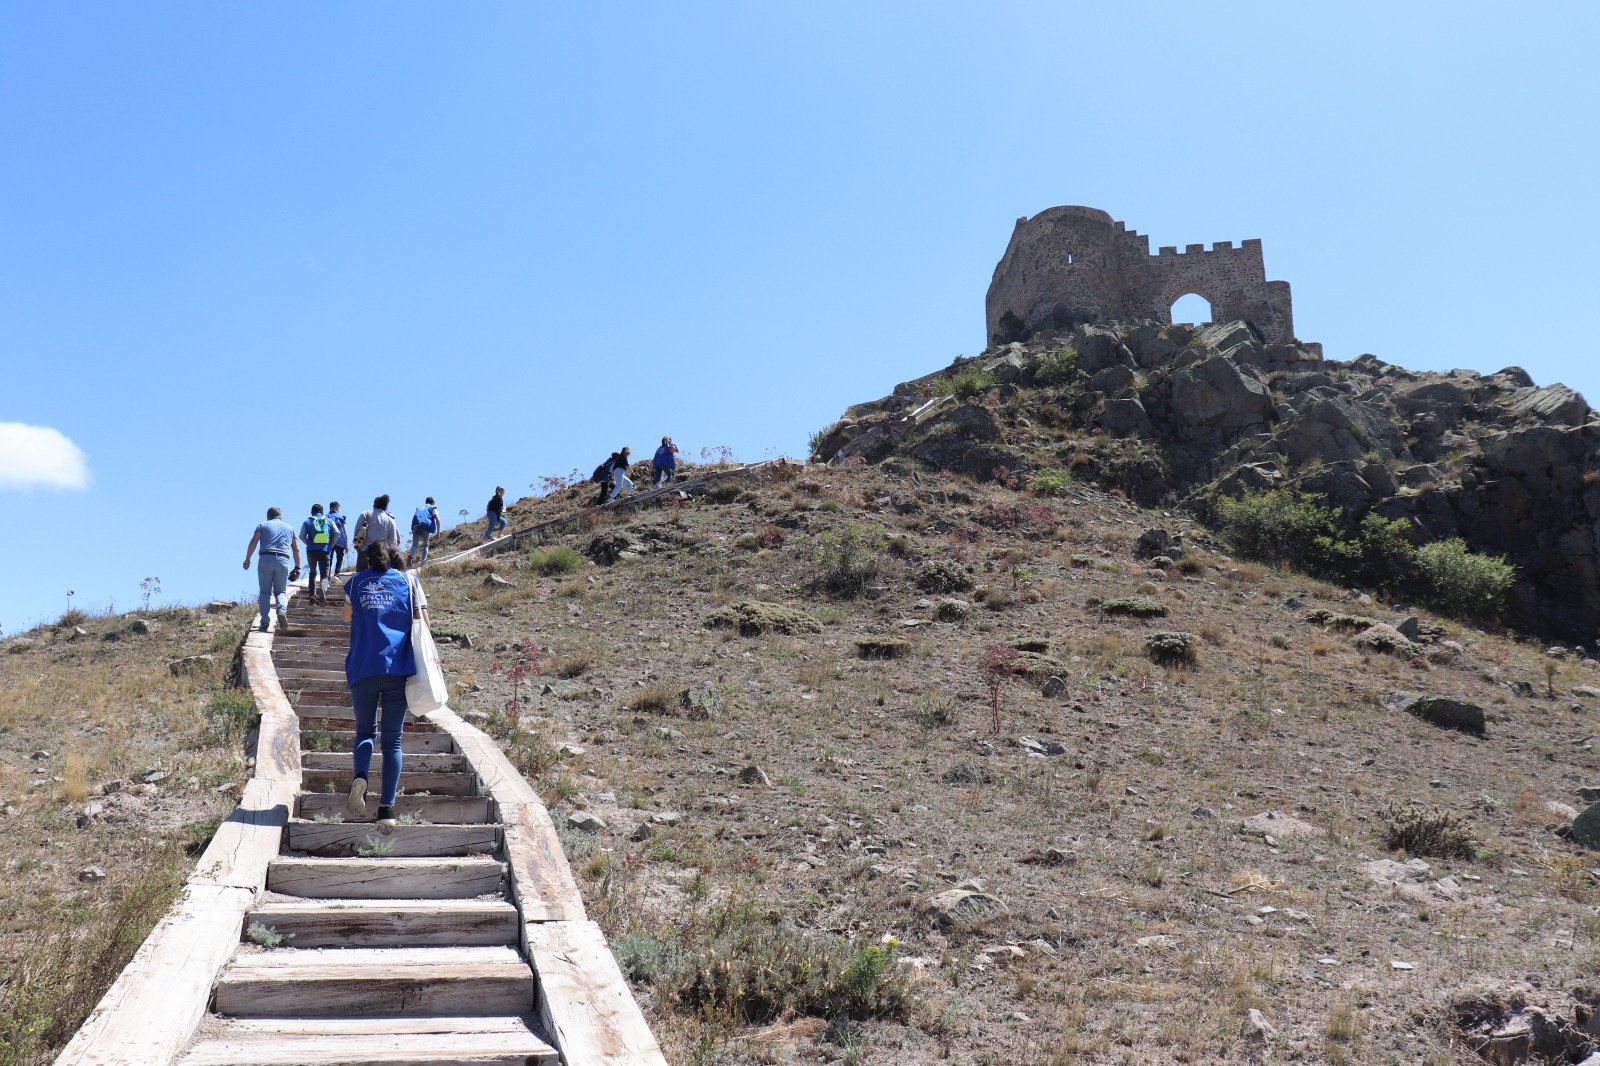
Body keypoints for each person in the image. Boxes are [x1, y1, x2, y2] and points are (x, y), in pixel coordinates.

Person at [341, 541, 429, 827]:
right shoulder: (408, 581)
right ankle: (387, 810)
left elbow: (346, 616)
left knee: (365, 732)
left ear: (367, 559)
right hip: (397, 668)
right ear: (394, 557)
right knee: (393, 741)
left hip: (362, 668)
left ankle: (360, 777)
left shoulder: (355, 582)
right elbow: (424, 622)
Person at [242, 506, 301, 632]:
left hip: (265, 558)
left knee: (265, 592)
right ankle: (281, 611)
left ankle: (264, 622)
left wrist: (247, 558)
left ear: (268, 516)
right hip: (283, 560)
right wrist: (297, 567)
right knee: (280, 592)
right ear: (281, 516)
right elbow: (296, 549)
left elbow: (253, 541)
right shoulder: (290, 528)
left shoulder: (262, 525)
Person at [351, 494, 400, 571]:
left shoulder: (366, 514)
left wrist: (357, 545)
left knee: (362, 579)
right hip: (382, 555)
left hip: (364, 550)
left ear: (374, 505)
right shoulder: (390, 520)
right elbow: (392, 542)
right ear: (386, 507)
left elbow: (357, 530)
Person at [299, 504, 335, 605]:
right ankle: (323, 589)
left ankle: (312, 598)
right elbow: (337, 533)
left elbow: (301, 535)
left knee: (312, 573)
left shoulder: (307, 521)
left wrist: (308, 543)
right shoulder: (329, 521)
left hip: (311, 551)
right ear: (322, 512)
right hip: (325, 550)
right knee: (324, 574)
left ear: (312, 512)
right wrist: (331, 545)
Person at [408, 497, 441, 567]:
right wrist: (438, 532)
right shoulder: (433, 507)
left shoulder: (420, 507)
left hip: (415, 526)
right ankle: (423, 562)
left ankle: (409, 560)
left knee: (414, 545)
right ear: (433, 503)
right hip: (425, 525)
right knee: (425, 545)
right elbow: (437, 519)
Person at [328, 501, 349, 577]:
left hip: (329, 541)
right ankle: (336, 574)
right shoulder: (341, 517)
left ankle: (327, 575)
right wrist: (346, 544)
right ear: (337, 507)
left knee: (329, 558)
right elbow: (345, 531)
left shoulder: (326, 517)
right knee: (339, 558)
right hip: (340, 540)